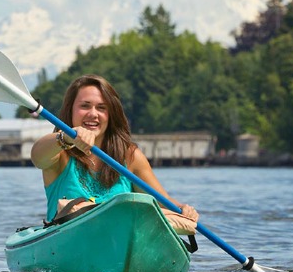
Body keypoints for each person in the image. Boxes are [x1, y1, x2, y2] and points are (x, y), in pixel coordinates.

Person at [31, 74, 200, 224]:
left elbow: (162, 202)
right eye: (85, 106)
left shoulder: (130, 156)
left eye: (101, 108)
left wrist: (183, 209)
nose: (93, 114)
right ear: (71, 110)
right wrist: (66, 137)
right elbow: (37, 157)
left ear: (111, 114)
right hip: (67, 243)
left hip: (120, 238)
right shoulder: (60, 153)